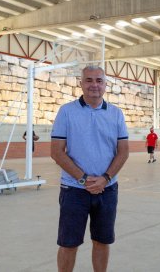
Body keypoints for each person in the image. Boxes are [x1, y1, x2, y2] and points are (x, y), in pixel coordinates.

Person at [50, 65, 129, 272]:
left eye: (99, 81)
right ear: (81, 83)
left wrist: (105, 178)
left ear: (105, 85)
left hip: (107, 189)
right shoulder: (66, 112)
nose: (94, 85)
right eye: (89, 80)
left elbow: (123, 152)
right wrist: (84, 180)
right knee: (69, 243)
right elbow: (57, 152)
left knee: (102, 241)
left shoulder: (116, 114)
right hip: (74, 190)